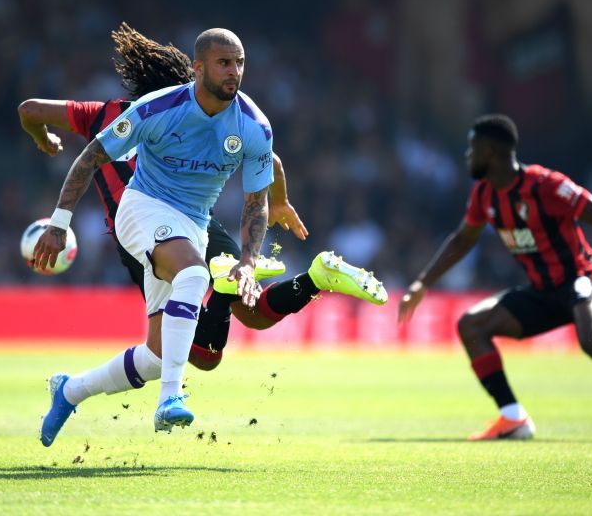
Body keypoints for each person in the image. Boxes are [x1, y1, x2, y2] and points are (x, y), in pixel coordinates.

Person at [29, 26, 387, 446]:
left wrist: (250, 261)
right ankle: (170, 399)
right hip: (142, 209)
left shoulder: (254, 125)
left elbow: (256, 202)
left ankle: (69, 391)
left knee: (157, 355)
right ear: (197, 68)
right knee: (197, 276)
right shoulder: (155, 109)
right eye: (223, 63)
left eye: (239, 63)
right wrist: (58, 222)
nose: (234, 71)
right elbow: (90, 157)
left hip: (195, 223)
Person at [398, 114, 592, 442]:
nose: (468, 155)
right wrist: (422, 282)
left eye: (473, 148)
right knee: (471, 324)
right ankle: (513, 418)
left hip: (582, 278)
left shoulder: (545, 185)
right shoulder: (484, 196)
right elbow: (462, 239)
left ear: (490, 152)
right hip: (543, 291)